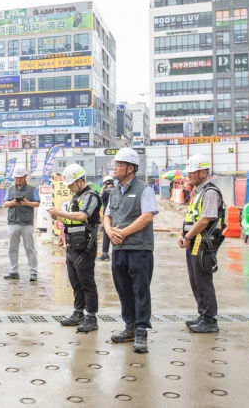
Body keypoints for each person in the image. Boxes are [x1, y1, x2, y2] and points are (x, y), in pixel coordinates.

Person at [103, 148, 158, 354]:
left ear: (130, 168)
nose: (115, 168)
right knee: (123, 289)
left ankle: (142, 330)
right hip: (119, 248)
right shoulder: (115, 190)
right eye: (115, 164)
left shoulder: (145, 190)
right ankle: (130, 327)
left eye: (118, 165)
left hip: (139, 248)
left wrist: (123, 232)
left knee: (140, 289)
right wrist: (109, 231)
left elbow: (147, 217)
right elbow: (107, 215)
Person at [50, 164, 102, 333]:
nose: (70, 188)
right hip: (72, 245)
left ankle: (91, 317)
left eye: (71, 184)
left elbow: (82, 216)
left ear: (80, 181)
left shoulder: (91, 196)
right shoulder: (76, 198)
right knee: (75, 282)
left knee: (87, 282)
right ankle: (78, 313)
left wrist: (60, 214)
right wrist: (63, 233)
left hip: (85, 246)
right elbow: (72, 221)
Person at [178, 154, 225, 333]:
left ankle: (210, 319)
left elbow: (205, 219)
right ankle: (203, 313)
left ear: (203, 173)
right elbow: (192, 218)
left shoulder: (210, 192)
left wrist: (188, 236)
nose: (189, 176)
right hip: (194, 241)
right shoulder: (198, 193)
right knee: (195, 279)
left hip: (203, 243)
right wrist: (182, 235)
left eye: (192, 172)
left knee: (203, 280)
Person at [2, 165, 40, 281]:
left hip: (27, 222)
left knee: (30, 248)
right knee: (12, 248)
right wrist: (13, 202)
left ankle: (33, 272)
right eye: (16, 178)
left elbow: (37, 203)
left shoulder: (32, 189)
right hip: (13, 222)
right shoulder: (10, 189)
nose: (18, 180)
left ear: (25, 177)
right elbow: (5, 204)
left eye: (20, 178)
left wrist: (27, 203)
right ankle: (14, 271)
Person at [97, 175, 115, 261]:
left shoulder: (106, 192)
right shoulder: (117, 190)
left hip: (107, 217)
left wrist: (102, 191)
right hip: (116, 216)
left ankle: (105, 254)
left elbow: (99, 201)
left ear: (105, 184)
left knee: (106, 235)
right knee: (115, 233)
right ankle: (116, 253)